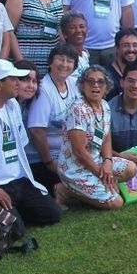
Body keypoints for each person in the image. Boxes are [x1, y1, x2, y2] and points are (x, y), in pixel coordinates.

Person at [0, 59, 63, 229]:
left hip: (19, 179)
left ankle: (14, 213)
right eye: (13, 79)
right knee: (15, 230)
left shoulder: (13, 105)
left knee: (53, 213)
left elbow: (20, 142)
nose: (18, 83)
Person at [52, 67, 136, 208]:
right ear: (83, 85)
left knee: (131, 168)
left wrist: (107, 162)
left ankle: (78, 190)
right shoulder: (78, 110)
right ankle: (65, 189)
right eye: (90, 81)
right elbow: (79, 152)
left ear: (106, 86)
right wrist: (102, 175)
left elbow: (106, 137)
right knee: (116, 203)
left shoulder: (104, 105)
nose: (95, 85)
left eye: (100, 82)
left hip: (97, 161)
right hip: (75, 168)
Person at [26, 43, 82, 189]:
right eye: (61, 59)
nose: (65, 64)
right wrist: (49, 162)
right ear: (50, 62)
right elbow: (36, 131)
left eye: (69, 61)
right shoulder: (44, 89)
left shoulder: (73, 84)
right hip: (45, 158)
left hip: (70, 152)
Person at [102, 29, 137, 100]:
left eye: (135, 45)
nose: (131, 49)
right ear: (116, 48)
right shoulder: (106, 75)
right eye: (126, 45)